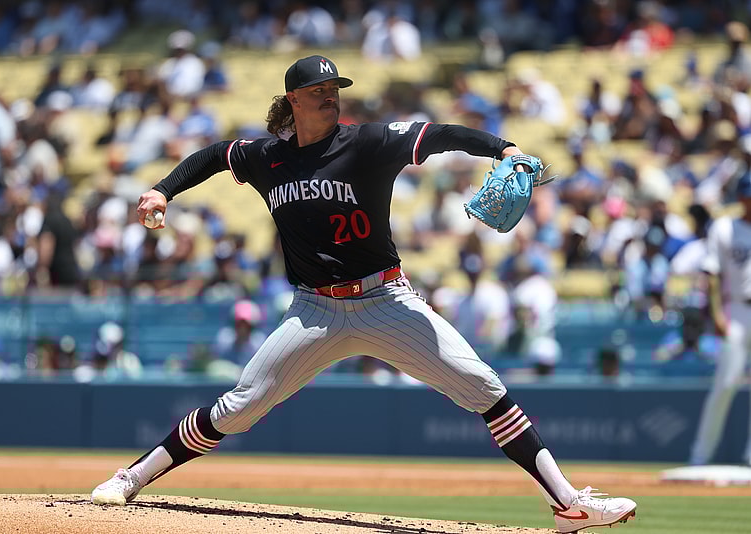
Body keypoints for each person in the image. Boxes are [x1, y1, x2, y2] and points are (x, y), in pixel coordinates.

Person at [90, 54, 637, 533]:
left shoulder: (367, 143)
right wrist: (162, 190)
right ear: (292, 101)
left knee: (484, 386)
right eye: (317, 92)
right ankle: (131, 476)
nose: (330, 97)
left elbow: (441, 133)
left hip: (385, 301)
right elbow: (213, 155)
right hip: (314, 311)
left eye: (334, 90)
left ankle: (567, 502)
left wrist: (503, 147)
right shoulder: (266, 158)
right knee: (239, 408)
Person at [690, 173, 751, 467]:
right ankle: (700, 456)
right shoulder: (726, 227)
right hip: (737, 310)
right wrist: (716, 314)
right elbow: (711, 275)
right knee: (725, 383)